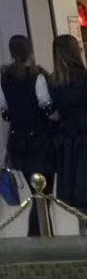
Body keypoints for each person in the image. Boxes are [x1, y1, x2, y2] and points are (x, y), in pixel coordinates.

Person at [0, 34, 55, 235]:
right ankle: (37, 236)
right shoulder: (38, 76)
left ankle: (43, 235)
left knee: (36, 194)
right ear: (30, 50)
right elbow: (48, 108)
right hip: (41, 142)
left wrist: (6, 145)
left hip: (19, 143)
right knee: (43, 194)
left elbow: (5, 112)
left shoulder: (4, 78)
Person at [51, 34, 87, 223]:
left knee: (77, 199)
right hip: (84, 139)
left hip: (67, 144)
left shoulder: (53, 82)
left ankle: (82, 235)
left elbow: (52, 114)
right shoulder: (84, 78)